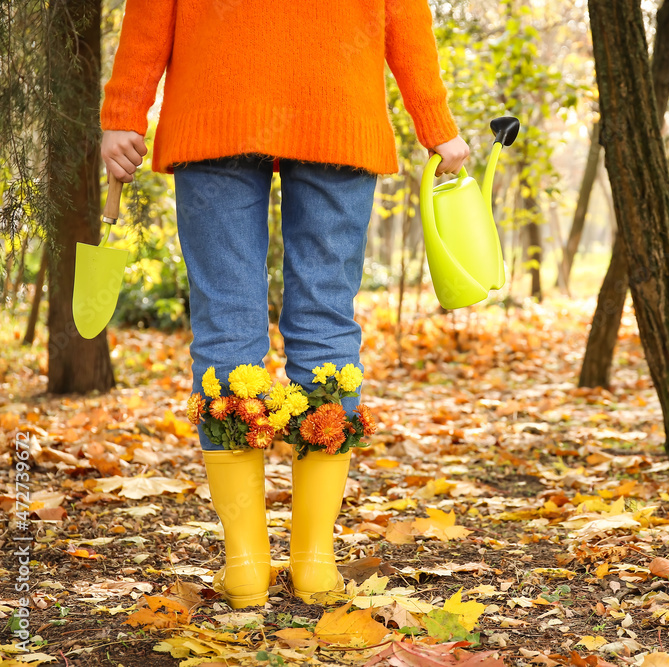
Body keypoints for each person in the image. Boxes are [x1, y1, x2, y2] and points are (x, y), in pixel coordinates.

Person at [99, 0, 469, 608]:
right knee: (325, 325)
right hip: (336, 100)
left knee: (225, 330)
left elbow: (149, 10)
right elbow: (405, 15)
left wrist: (124, 111)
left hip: (214, 101)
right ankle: (314, 563)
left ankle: (245, 567)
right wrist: (438, 126)